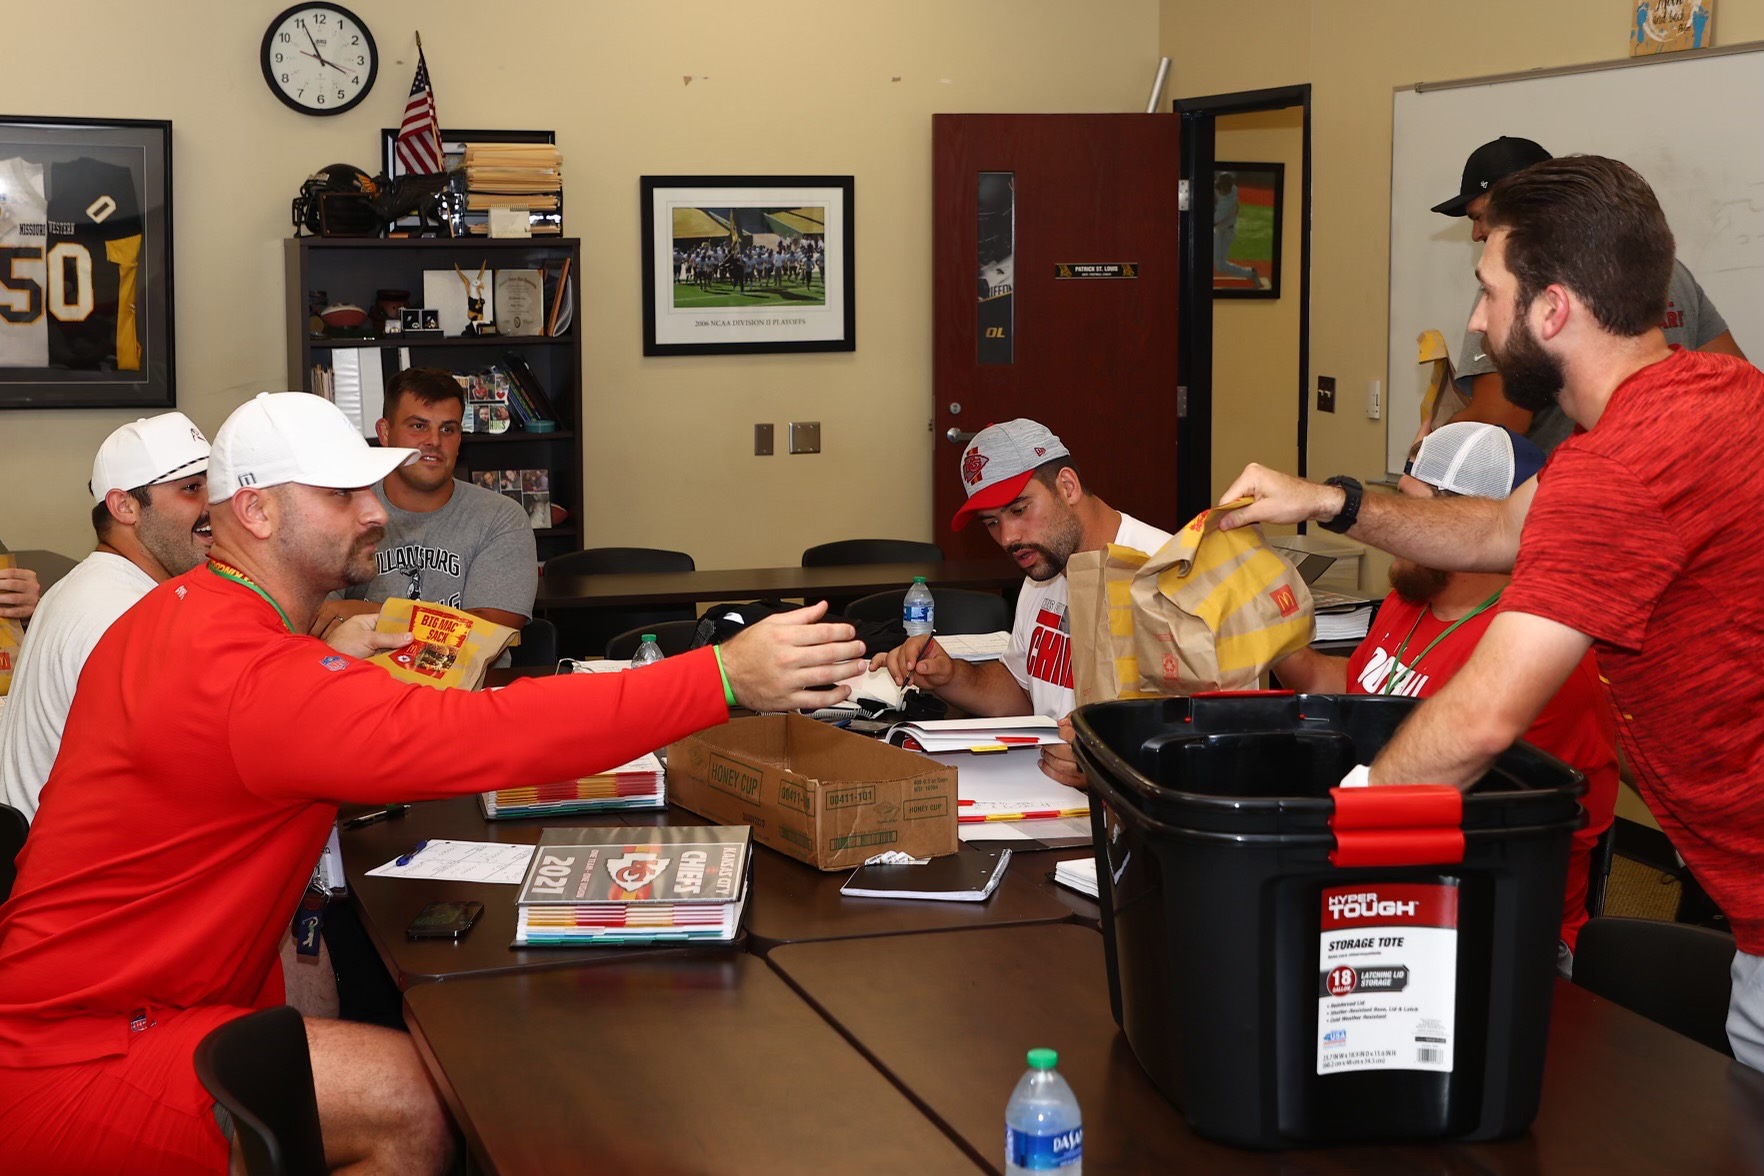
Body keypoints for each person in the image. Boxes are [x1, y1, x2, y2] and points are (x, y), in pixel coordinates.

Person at [0, 391, 865, 1173]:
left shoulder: (184, 614)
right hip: (81, 1052)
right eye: (343, 495)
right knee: (409, 1101)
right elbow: (479, 732)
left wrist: (324, 660)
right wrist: (719, 677)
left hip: (116, 1007)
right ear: (256, 511)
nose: (376, 511)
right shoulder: (249, 673)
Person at [1218, 155, 1764, 1069]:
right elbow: (1500, 529)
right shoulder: (1710, 398)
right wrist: (1328, 501)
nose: (1476, 319)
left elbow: (1480, 720)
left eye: (1488, 290)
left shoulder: (1618, 468)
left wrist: (1324, 839)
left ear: (1551, 310)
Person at [1274, 421, 1618, 971]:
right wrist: (1272, 639)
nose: (1391, 535)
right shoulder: (1409, 599)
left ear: (1458, 524)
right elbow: (1364, 692)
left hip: (1498, 929)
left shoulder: (1536, 650)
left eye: (1410, 513)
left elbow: (1454, 803)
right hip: (1395, 881)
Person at [872, 419, 1172, 786]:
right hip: (1048, 795)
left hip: (1129, 810)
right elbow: (1023, 693)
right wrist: (951, 676)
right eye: (991, 522)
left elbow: (1206, 739)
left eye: (1018, 510)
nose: (1007, 538)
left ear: (1068, 486)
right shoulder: (1042, 573)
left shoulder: (1165, 573)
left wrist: (1110, 764)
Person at [1430, 135, 1745, 452]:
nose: (1477, 233)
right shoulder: (1669, 269)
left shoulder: (1516, 286)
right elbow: (1733, 382)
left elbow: (1501, 420)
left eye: (1480, 216)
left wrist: (1433, 444)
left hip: (1572, 473)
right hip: (1673, 463)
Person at [0, 413, 213, 820]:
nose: (215, 506)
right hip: (69, 850)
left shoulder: (89, 584)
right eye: (191, 488)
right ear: (125, 507)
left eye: (214, 486)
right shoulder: (127, 613)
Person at [315, 366, 537, 639]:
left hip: (464, 670)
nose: (434, 441)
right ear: (385, 432)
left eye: (448, 429)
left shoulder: (500, 518)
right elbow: (318, 617)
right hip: (359, 666)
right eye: (418, 426)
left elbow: (488, 631)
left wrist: (375, 614)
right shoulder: (344, 511)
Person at [1212, 172, 1266, 289]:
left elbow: (1213, 221)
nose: (1219, 190)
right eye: (1219, 187)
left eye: (1222, 189)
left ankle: (1250, 273)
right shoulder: (1230, 188)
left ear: (1228, 189)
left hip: (1224, 233)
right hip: (1219, 230)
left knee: (1220, 266)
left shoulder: (1227, 203)